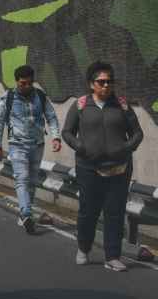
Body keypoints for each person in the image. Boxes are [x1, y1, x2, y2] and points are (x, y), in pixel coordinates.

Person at [61, 62, 144, 271]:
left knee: (115, 213)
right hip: (88, 168)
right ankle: (83, 247)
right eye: (101, 82)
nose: (106, 85)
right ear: (92, 84)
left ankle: (112, 256)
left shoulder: (122, 105)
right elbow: (67, 132)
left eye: (109, 81)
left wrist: (126, 148)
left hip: (119, 168)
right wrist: (81, 146)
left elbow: (137, 133)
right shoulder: (80, 106)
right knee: (88, 211)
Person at [0, 64, 62, 233]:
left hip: (37, 145)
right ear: (16, 82)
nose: (26, 86)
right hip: (17, 145)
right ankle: (26, 213)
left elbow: (51, 117)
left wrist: (56, 137)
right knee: (22, 178)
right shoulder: (8, 98)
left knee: (32, 181)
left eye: (29, 83)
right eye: (23, 83)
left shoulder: (40, 96)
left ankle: (25, 213)